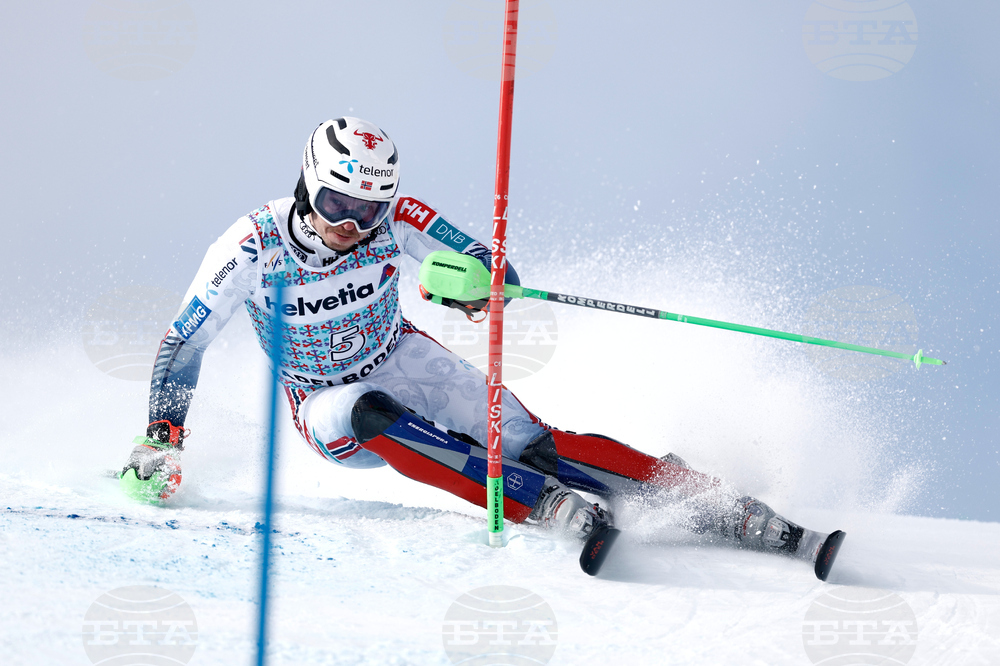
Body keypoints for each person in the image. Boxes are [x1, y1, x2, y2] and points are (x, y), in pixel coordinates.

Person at [120, 117, 843, 577]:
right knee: (372, 411)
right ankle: (546, 507)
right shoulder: (251, 244)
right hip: (324, 399)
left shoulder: (392, 218)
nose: (351, 223)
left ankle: (715, 504)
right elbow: (185, 341)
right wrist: (163, 436)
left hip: (400, 351)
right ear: (309, 184)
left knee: (531, 438)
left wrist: (480, 283)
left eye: (367, 209)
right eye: (338, 204)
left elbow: (479, 257)